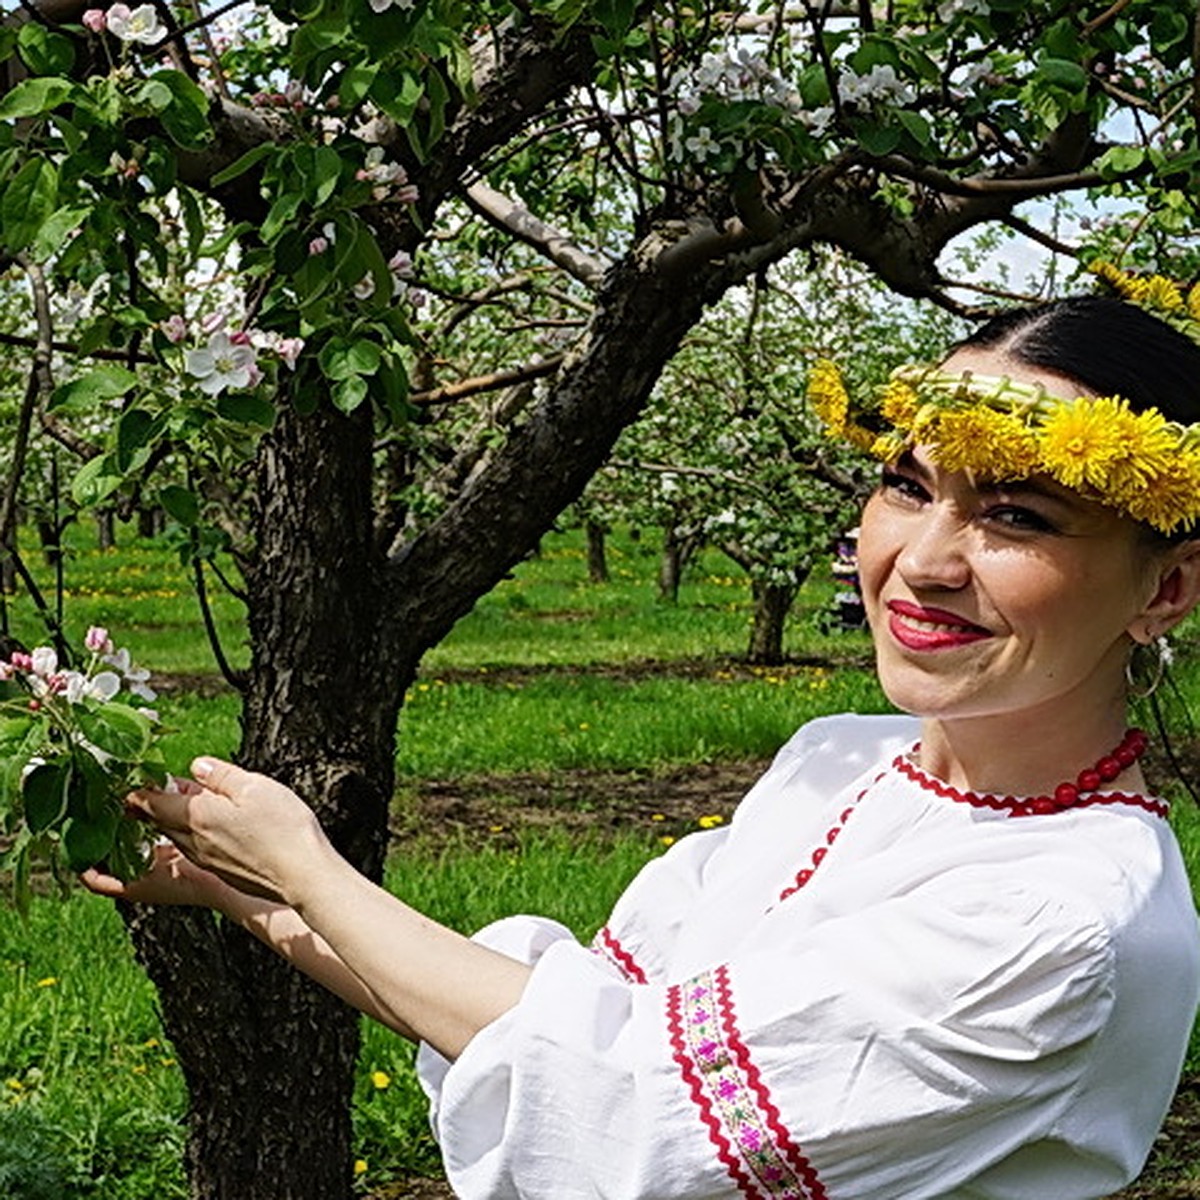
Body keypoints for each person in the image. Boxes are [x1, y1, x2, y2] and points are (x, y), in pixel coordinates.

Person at [84, 267, 1200, 1199]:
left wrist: (310, 872)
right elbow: (561, 1027)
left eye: (1018, 516)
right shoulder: (840, 759)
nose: (924, 561)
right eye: (905, 487)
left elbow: (626, 1111)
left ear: (1167, 589)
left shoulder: (1062, 920)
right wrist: (256, 892)